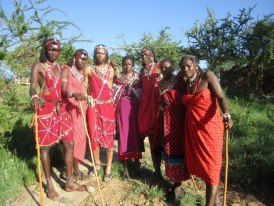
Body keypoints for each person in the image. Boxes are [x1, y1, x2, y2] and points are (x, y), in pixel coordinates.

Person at [29, 38, 86, 201]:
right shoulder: (38, 66)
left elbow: (63, 88)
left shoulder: (61, 68)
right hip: (45, 108)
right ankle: (49, 185)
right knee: (45, 148)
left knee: (69, 143)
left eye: (57, 50)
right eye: (51, 49)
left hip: (60, 108)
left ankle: (69, 182)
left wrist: (73, 94)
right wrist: (33, 97)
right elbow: (33, 86)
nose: (54, 52)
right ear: (45, 50)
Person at [179, 55, 233, 206]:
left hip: (210, 129)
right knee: (203, 166)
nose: (185, 69)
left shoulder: (208, 76)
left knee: (212, 168)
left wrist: (227, 115)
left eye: (189, 66)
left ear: (196, 65)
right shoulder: (187, 82)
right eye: (182, 67)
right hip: (195, 131)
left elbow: (221, 97)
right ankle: (215, 201)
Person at [153, 58, 189, 199]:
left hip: (177, 121)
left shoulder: (180, 80)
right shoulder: (161, 83)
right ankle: (166, 177)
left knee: (176, 150)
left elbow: (185, 99)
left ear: (173, 67)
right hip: (163, 119)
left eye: (166, 67)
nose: (163, 70)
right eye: (161, 68)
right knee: (164, 148)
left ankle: (177, 185)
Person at [83, 44, 115, 182]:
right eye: (97, 53)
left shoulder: (111, 70)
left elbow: (110, 88)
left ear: (106, 55)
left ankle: (108, 167)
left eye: (102, 53)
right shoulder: (89, 69)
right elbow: (84, 86)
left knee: (108, 136)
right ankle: (96, 164)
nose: (99, 55)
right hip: (93, 106)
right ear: (94, 54)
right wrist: (86, 96)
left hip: (107, 106)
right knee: (93, 135)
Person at [61, 49, 89, 181]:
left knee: (80, 139)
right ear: (74, 58)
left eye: (85, 59)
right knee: (71, 140)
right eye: (80, 58)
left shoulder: (82, 73)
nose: (83, 61)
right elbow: (63, 88)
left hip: (81, 109)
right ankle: (74, 171)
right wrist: (73, 94)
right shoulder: (67, 70)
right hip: (70, 108)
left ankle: (74, 169)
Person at [115, 55, 144, 178]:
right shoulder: (118, 77)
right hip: (123, 107)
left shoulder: (139, 76)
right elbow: (114, 92)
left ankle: (137, 163)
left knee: (135, 134)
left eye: (129, 64)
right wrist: (123, 87)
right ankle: (126, 166)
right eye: (125, 64)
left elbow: (143, 91)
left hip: (135, 108)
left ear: (133, 65)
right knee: (124, 133)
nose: (127, 66)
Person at [138, 46, 163, 185]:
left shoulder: (159, 68)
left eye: (147, 54)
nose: (144, 56)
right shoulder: (142, 71)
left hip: (158, 108)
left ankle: (173, 175)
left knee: (161, 140)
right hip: (146, 109)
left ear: (153, 55)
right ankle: (157, 173)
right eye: (142, 54)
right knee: (152, 140)